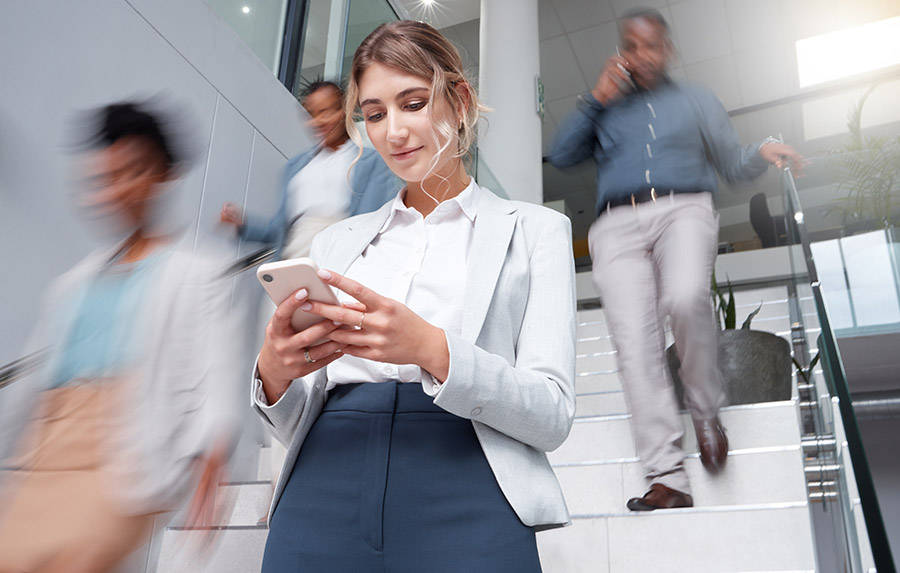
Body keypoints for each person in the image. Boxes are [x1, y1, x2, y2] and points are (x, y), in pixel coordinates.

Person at [251, 20, 576, 572]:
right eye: (375, 114)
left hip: (468, 481)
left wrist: (431, 348)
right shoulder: (336, 241)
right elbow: (293, 419)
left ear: (460, 98)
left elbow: (552, 414)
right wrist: (275, 372)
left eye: (414, 102)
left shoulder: (535, 231)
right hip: (325, 477)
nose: (394, 131)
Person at [547, 8, 806, 511]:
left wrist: (762, 148)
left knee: (686, 298)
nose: (642, 56)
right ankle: (667, 478)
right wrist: (595, 99)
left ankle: (706, 411)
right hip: (615, 226)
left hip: (683, 209)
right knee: (634, 349)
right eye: (632, 46)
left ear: (668, 49)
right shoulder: (604, 107)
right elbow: (561, 154)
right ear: (621, 50)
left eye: (651, 46)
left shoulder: (697, 100)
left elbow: (731, 161)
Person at [0, 102, 241, 572]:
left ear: (163, 174)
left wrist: (212, 458)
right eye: (106, 178)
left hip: (123, 455)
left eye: (133, 172)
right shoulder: (72, 283)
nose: (117, 189)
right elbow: (34, 384)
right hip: (47, 451)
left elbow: (219, 370)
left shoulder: (198, 273)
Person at [220, 80, 397, 260]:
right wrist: (243, 225)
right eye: (311, 115)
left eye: (326, 112)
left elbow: (372, 224)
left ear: (344, 112)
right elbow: (279, 231)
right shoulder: (295, 168)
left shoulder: (369, 162)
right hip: (292, 262)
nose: (318, 121)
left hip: (337, 262)